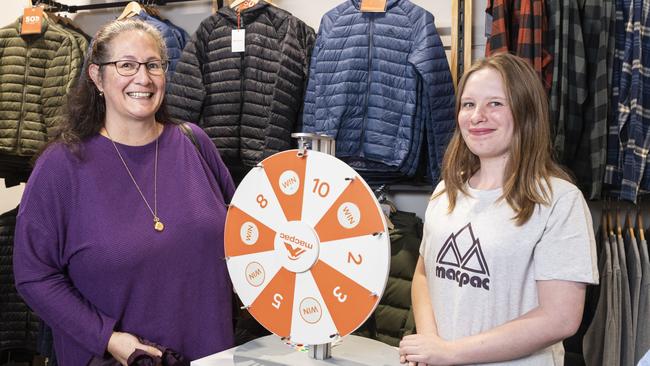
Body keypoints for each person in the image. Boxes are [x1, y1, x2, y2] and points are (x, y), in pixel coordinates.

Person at [12, 19, 236, 364]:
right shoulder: (61, 166)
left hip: (214, 352)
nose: (142, 78)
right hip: (122, 358)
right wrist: (108, 338)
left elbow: (241, 237)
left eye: (153, 65)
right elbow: (34, 275)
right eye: (126, 65)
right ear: (97, 77)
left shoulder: (194, 142)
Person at [399, 53, 599, 365]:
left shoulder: (559, 201)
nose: (477, 116)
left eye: (495, 103)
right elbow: (424, 274)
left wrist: (451, 353)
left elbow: (560, 318)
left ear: (525, 111)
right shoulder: (445, 191)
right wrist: (431, 345)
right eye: (468, 104)